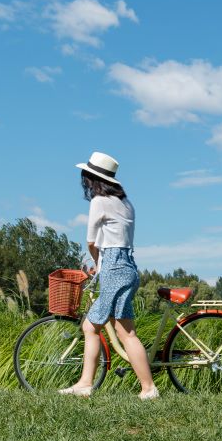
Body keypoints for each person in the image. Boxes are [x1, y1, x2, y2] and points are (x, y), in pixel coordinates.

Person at [58, 151, 159, 400]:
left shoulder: (99, 201)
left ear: (91, 179)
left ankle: (148, 388)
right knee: (95, 327)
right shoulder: (125, 203)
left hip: (114, 268)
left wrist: (97, 263)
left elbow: (92, 242)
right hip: (127, 266)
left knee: (122, 333)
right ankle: (85, 384)